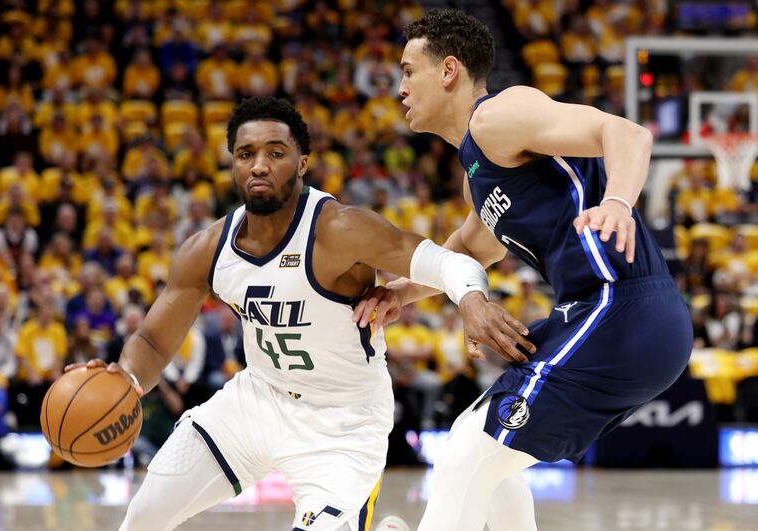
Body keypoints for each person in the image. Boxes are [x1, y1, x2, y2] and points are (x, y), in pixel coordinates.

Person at [67, 96, 529, 531]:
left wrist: (470, 299)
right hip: (256, 403)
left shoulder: (340, 229)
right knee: (142, 516)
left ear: (302, 162)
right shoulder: (207, 250)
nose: (260, 164)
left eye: (275, 152)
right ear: (232, 162)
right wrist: (124, 379)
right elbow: (151, 340)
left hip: (344, 423)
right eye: (246, 153)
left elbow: (449, 261)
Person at [353, 10, 693, 531]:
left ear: (448, 71)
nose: (398, 86)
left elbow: (626, 132)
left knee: (468, 450)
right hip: (600, 314)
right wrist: (399, 293)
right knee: (490, 450)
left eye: (407, 70)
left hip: (620, 305)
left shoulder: (498, 116)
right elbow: (471, 248)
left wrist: (619, 202)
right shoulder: (476, 172)